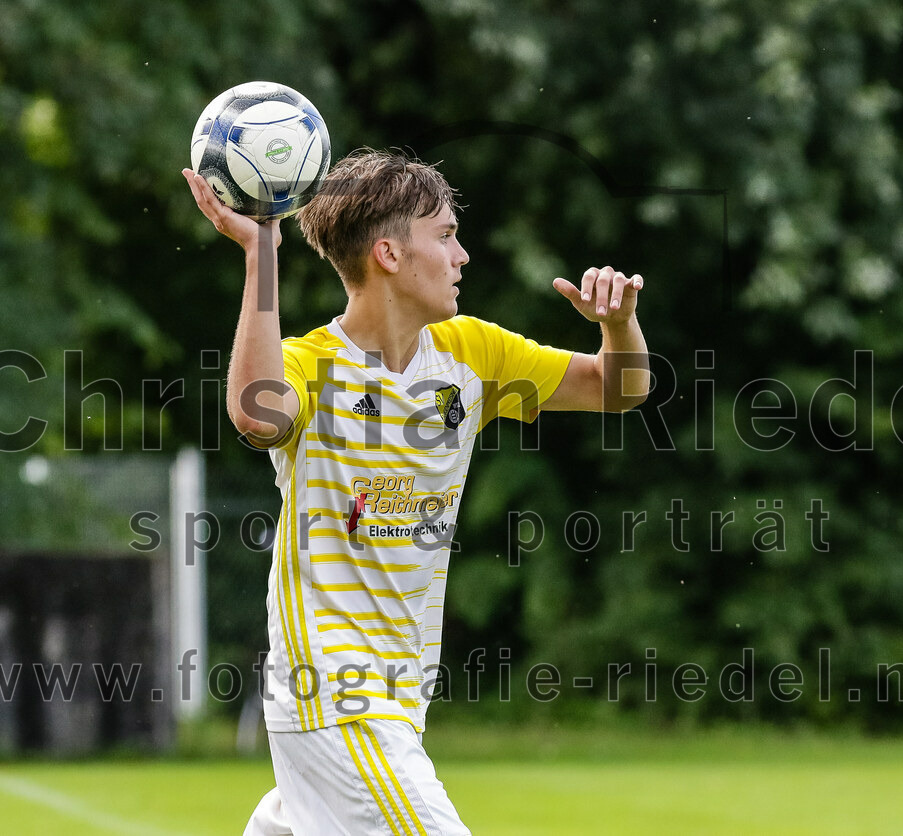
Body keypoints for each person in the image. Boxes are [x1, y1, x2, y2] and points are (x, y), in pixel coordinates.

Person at [182, 149, 649, 836]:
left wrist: (617, 324)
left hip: (398, 697)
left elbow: (618, 388)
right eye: (446, 234)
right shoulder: (314, 365)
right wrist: (263, 256)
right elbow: (256, 412)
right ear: (389, 255)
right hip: (335, 691)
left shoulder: (471, 353)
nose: (462, 255)